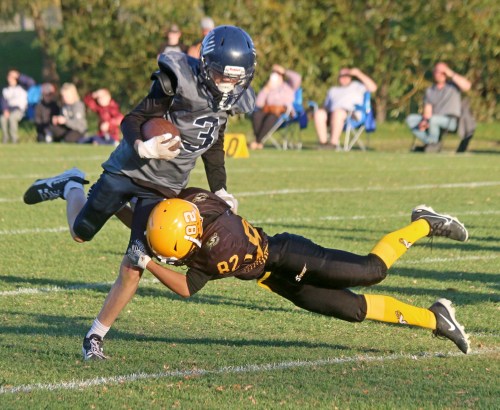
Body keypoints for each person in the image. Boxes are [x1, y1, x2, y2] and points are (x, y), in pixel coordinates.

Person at [22, 26, 257, 359]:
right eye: (220, 75)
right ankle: (72, 184)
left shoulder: (231, 100)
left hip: (165, 187)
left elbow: (213, 142)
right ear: (206, 65)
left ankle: (94, 336)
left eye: (235, 78)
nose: (226, 84)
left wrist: (220, 186)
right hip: (128, 169)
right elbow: (134, 117)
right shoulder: (176, 80)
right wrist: (142, 146)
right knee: (80, 233)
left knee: (135, 261)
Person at [80, 186, 470, 360]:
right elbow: (156, 224)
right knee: (353, 310)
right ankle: (435, 318)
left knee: (372, 270)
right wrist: (118, 206)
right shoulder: (191, 206)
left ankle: (423, 223)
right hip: (274, 279)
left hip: (287, 255)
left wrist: (147, 262)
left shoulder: (220, 250)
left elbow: (185, 287)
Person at [406, 62, 471, 152]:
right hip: (433, 120)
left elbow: (467, 86)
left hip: (451, 121)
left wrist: (451, 73)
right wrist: (424, 121)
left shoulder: (453, 86)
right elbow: (428, 111)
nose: (439, 74)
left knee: (433, 119)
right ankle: (431, 142)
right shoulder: (430, 90)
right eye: (437, 71)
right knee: (411, 119)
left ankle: (432, 144)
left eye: (442, 72)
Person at [313, 67, 377, 150]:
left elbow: (373, 88)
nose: (344, 78)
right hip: (332, 114)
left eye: (346, 75)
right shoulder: (333, 90)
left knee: (338, 113)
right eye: (341, 76)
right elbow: (326, 107)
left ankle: (333, 143)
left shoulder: (357, 86)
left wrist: (358, 74)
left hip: (352, 115)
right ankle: (323, 143)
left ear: (350, 77)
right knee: (319, 113)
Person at [250, 64, 302, 150]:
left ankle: (258, 141)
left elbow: (297, 78)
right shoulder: (269, 88)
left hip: (282, 112)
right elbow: (258, 104)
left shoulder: (289, 86)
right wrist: (266, 89)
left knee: (271, 117)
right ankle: (258, 142)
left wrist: (283, 71)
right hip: (268, 110)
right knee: (256, 114)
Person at [1, 69, 30, 143]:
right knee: (2, 119)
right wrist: (5, 110)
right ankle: (5, 138)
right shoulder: (6, 90)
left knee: (12, 118)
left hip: (20, 110)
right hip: (10, 110)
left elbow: (30, 82)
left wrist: (19, 76)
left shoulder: (22, 88)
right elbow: (3, 101)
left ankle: (14, 138)